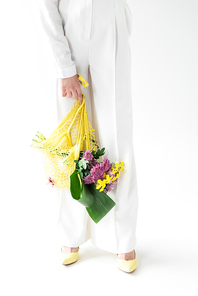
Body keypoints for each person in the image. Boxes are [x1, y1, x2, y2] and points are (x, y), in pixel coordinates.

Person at [38, 0, 139, 273]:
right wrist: (64, 66)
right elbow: (46, 5)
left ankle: (122, 235)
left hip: (112, 23)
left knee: (117, 133)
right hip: (71, 25)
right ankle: (69, 233)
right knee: (71, 138)